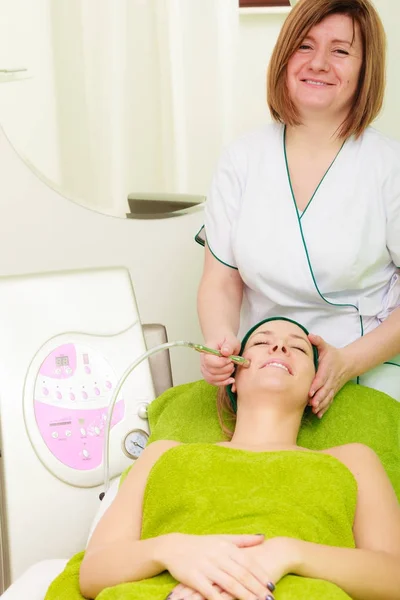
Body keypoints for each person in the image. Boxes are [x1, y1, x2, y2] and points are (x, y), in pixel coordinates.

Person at [67, 318, 400, 600]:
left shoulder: (354, 460)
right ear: (233, 378)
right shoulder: (163, 453)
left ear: (317, 384)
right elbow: (95, 569)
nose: (280, 348)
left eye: (298, 348)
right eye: (261, 343)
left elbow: (393, 575)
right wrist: (173, 550)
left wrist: (287, 553)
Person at [196, 0, 400, 417]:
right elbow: (221, 279)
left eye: (341, 51)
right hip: (263, 375)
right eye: (304, 46)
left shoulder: (389, 166)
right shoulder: (242, 159)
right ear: (284, 57)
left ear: (365, 69)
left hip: (367, 371)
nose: (319, 63)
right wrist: (220, 341)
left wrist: (349, 362)